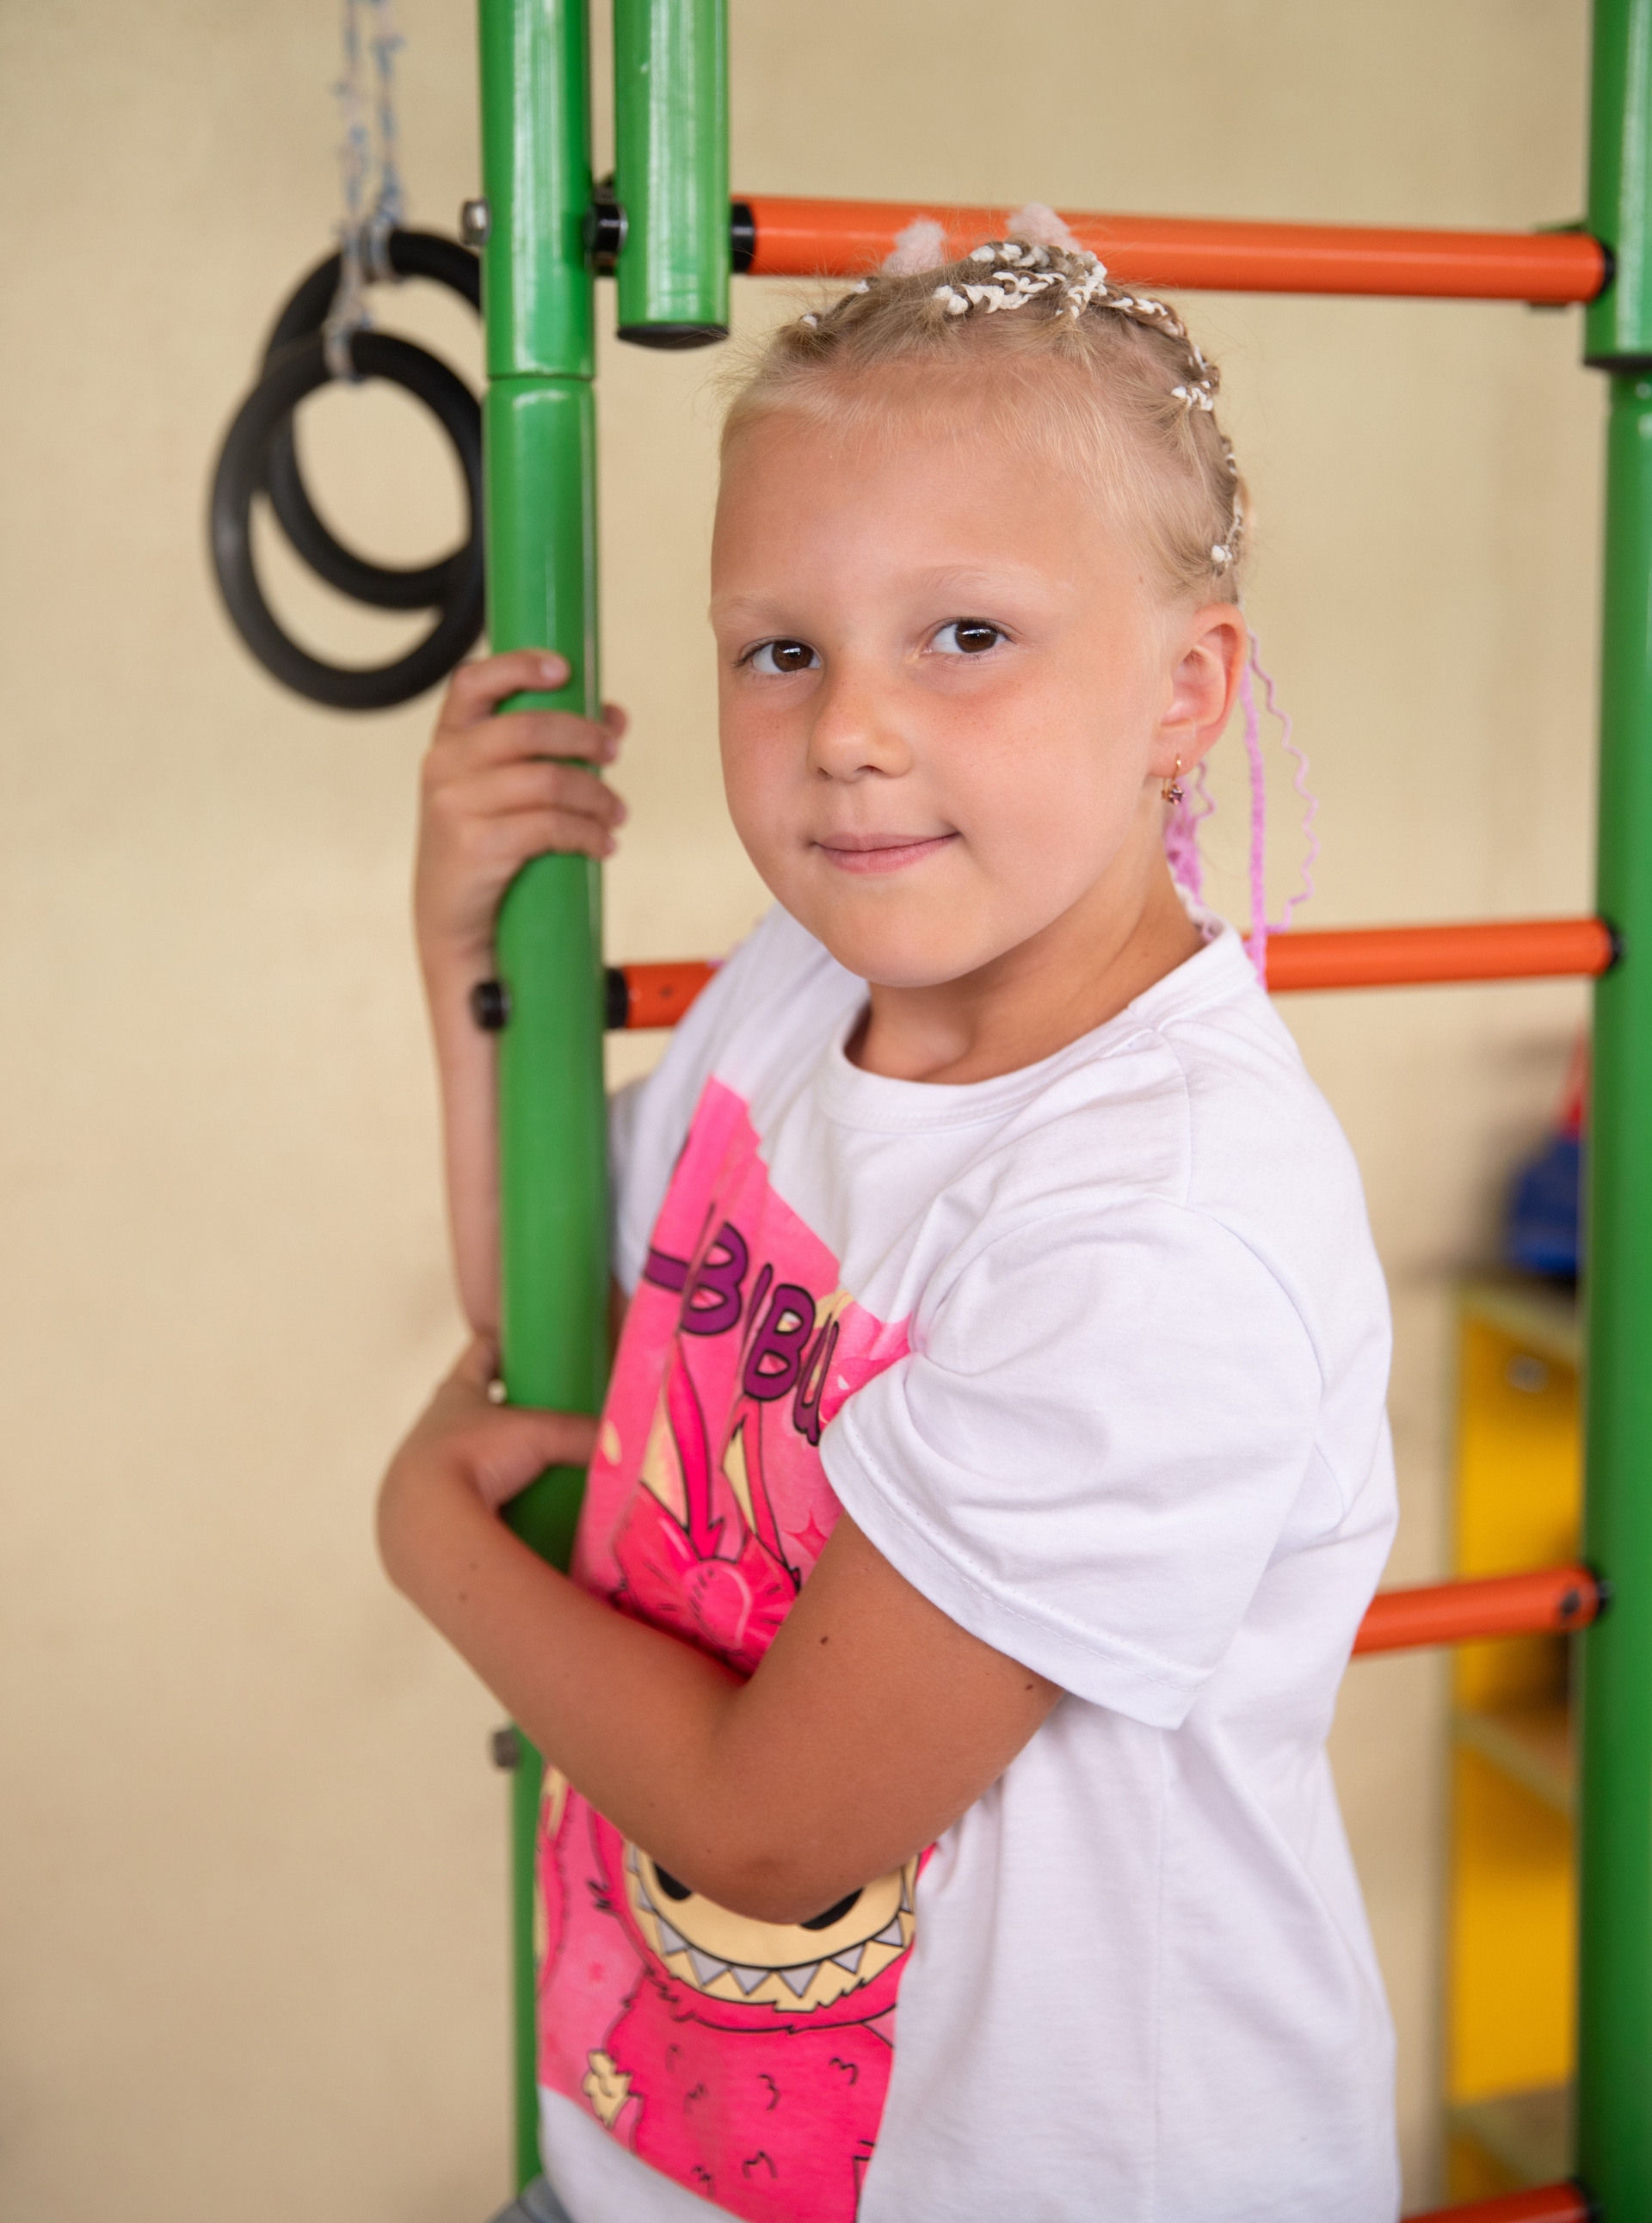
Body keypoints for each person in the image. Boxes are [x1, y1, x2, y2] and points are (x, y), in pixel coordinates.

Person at [379, 219, 1401, 2223]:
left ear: (1186, 687)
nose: (847, 726)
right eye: (782, 649)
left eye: (966, 634)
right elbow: (564, 1325)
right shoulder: (798, 986)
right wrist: (457, 956)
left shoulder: (1161, 1223)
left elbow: (775, 1828)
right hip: (661, 2149)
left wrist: (426, 1538)